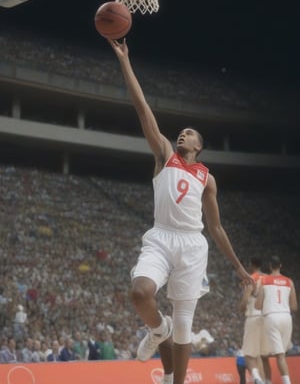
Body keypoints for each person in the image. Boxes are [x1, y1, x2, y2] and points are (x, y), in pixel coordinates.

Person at [108, 38, 253, 384]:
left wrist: (238, 267)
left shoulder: (208, 178)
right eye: (181, 132)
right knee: (140, 292)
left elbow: (216, 228)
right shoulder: (163, 154)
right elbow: (142, 107)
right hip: (160, 237)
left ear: (198, 146)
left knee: (186, 323)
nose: (182, 135)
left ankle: (175, 380)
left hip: (192, 244)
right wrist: (125, 60)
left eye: (189, 134)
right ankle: (158, 329)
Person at [255, 255, 298, 384]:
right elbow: (294, 306)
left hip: (271, 317)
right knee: (281, 354)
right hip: (286, 317)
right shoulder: (289, 282)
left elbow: (257, 305)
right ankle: (270, 381)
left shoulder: (264, 281)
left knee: (277, 355)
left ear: (269, 266)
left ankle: (286, 382)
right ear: (280, 266)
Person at [240, 256, 269, 384]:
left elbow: (246, 300)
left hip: (253, 316)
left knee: (248, 353)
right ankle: (265, 381)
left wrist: (241, 306)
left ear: (252, 264)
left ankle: (257, 379)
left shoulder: (251, 278)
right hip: (267, 317)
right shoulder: (268, 279)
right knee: (262, 356)